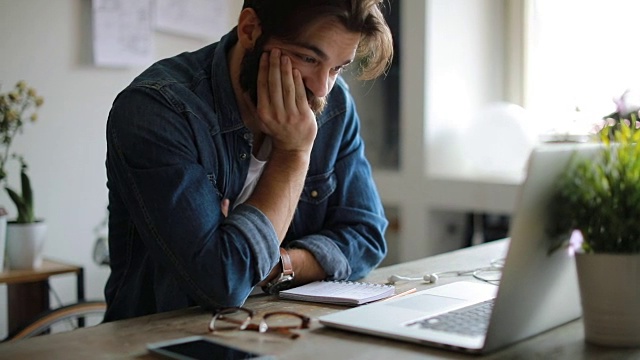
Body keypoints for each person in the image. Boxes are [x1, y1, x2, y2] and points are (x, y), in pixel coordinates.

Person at [104, 0, 394, 322]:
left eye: (338, 67)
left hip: (282, 328)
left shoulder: (333, 104)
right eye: (308, 58)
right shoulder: (159, 110)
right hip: (161, 340)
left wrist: (275, 264)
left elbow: (367, 237)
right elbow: (222, 283)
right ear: (250, 30)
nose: (322, 86)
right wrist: (292, 155)